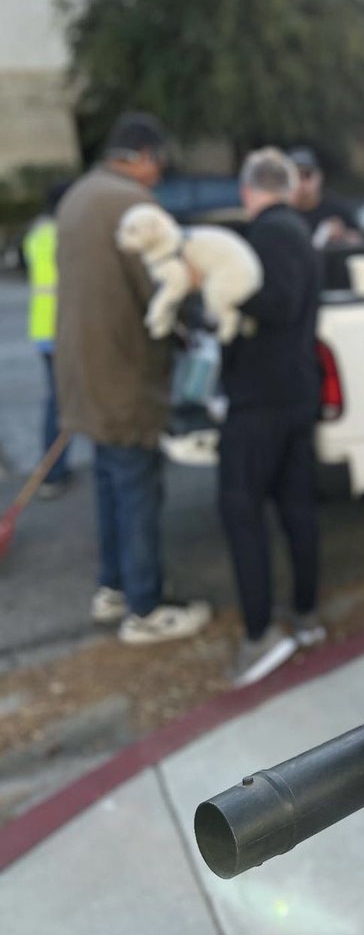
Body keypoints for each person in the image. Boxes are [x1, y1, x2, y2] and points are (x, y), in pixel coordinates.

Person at [55, 112, 211, 643]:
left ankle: (114, 586)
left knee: (109, 482)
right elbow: (163, 291)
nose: (159, 175)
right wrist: (197, 315)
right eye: (158, 164)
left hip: (82, 371)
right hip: (124, 373)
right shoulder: (132, 205)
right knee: (137, 488)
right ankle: (144, 609)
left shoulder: (79, 195)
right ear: (143, 156)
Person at [217, 147, 325, 687]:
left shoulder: (269, 233)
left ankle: (260, 633)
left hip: (260, 398)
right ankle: (305, 615)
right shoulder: (300, 230)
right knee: (296, 506)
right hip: (296, 391)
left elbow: (276, 303)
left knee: (240, 508)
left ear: (247, 190)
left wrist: (224, 300)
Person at [22, 180, 73, 497]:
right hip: (63, 327)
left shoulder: (36, 234)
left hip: (41, 328)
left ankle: (54, 471)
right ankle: (52, 473)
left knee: (56, 399)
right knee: (63, 402)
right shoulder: (63, 235)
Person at [288, 145, 362, 249]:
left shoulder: (337, 208)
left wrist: (343, 236)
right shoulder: (282, 212)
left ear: (319, 176)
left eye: (307, 174)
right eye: (294, 176)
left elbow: (360, 242)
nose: (301, 182)